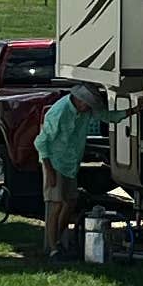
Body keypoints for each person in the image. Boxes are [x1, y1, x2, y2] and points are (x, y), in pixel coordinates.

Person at [33, 80, 92, 263]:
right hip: (54, 162)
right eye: (87, 104)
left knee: (70, 202)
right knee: (56, 204)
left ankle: (58, 239)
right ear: (79, 100)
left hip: (70, 163)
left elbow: (106, 116)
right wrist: (49, 170)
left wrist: (130, 111)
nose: (88, 108)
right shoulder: (59, 112)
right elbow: (41, 142)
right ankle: (52, 249)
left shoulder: (84, 112)